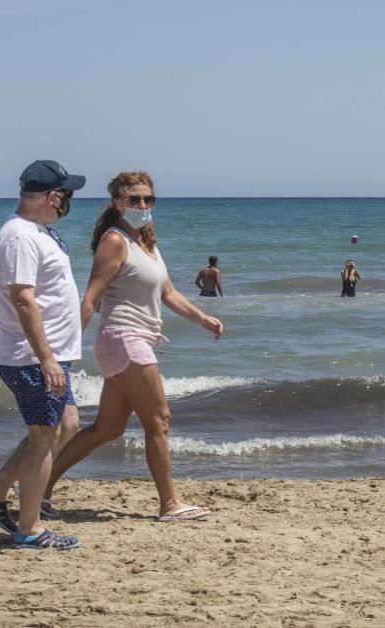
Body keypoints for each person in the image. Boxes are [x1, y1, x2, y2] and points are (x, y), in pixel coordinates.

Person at [45, 171, 222, 522]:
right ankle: (170, 503)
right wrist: (62, 350)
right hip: (123, 339)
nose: (142, 205)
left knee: (108, 428)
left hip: (133, 340)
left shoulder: (147, 244)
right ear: (118, 203)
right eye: (135, 199)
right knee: (159, 420)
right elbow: (92, 296)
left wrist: (203, 319)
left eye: (148, 199)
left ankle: (39, 486)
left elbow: (168, 292)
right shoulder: (115, 241)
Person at [0, 159, 86, 550]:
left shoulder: (38, 232)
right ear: (53, 196)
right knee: (43, 436)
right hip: (30, 357)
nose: (68, 202)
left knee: (66, 424)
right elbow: (22, 300)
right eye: (66, 194)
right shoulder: (20, 236)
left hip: (47, 354)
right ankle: (29, 528)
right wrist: (47, 358)